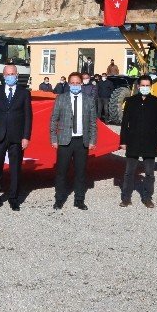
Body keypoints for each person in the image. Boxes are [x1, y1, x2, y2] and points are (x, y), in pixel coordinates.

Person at [0, 65, 33, 211]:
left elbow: (28, 117)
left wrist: (26, 137)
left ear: (17, 75)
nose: (10, 76)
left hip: (17, 137)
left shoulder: (24, 93)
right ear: (3, 76)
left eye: (13, 74)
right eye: (8, 74)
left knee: (15, 169)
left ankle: (13, 198)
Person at [49, 72, 98, 210]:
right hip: (65, 141)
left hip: (82, 141)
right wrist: (54, 138)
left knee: (80, 172)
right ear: (69, 84)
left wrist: (93, 140)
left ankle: (79, 199)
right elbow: (54, 120)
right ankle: (59, 199)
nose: (75, 85)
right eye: (73, 83)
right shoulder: (61, 99)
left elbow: (93, 123)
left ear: (81, 84)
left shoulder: (89, 100)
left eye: (78, 83)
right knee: (61, 172)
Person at [119, 75, 157, 208]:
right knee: (129, 172)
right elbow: (124, 123)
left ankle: (147, 198)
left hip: (150, 141)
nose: (145, 88)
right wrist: (123, 141)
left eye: (147, 86)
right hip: (133, 141)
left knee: (149, 173)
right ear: (138, 86)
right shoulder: (131, 101)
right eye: (142, 85)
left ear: (151, 87)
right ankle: (126, 198)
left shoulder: (156, 102)